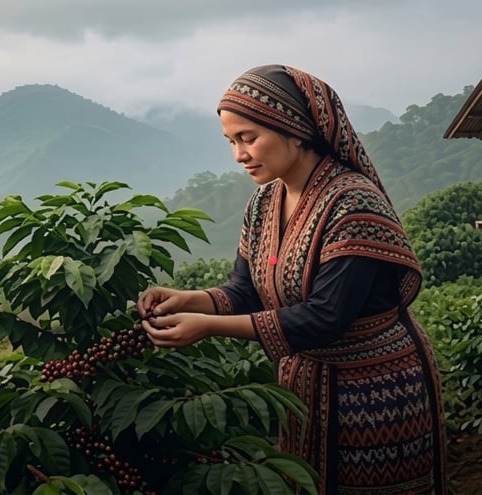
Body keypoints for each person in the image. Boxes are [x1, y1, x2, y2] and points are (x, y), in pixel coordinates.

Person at [135, 64, 446, 493]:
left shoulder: (352, 202)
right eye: (231, 141)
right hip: (304, 388)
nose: (239, 155)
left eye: (249, 138)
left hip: (375, 392)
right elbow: (244, 290)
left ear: (296, 130)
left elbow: (326, 316)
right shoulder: (265, 202)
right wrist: (188, 300)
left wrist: (207, 327)